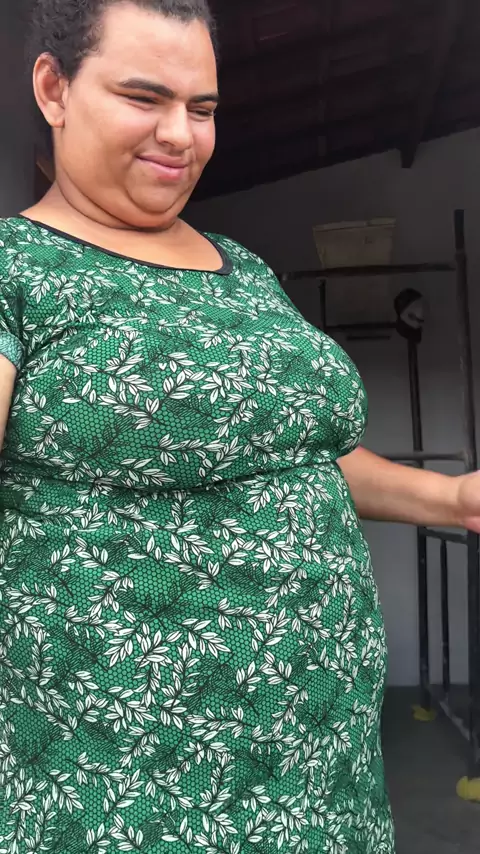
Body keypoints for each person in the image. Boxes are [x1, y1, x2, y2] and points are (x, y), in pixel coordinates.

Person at [0, 1, 479, 851]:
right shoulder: (15, 268)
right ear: (54, 89)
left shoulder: (244, 270)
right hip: (128, 782)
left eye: (204, 108)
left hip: (321, 765)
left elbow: (294, 452)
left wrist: (453, 499)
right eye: (144, 97)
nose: (180, 135)